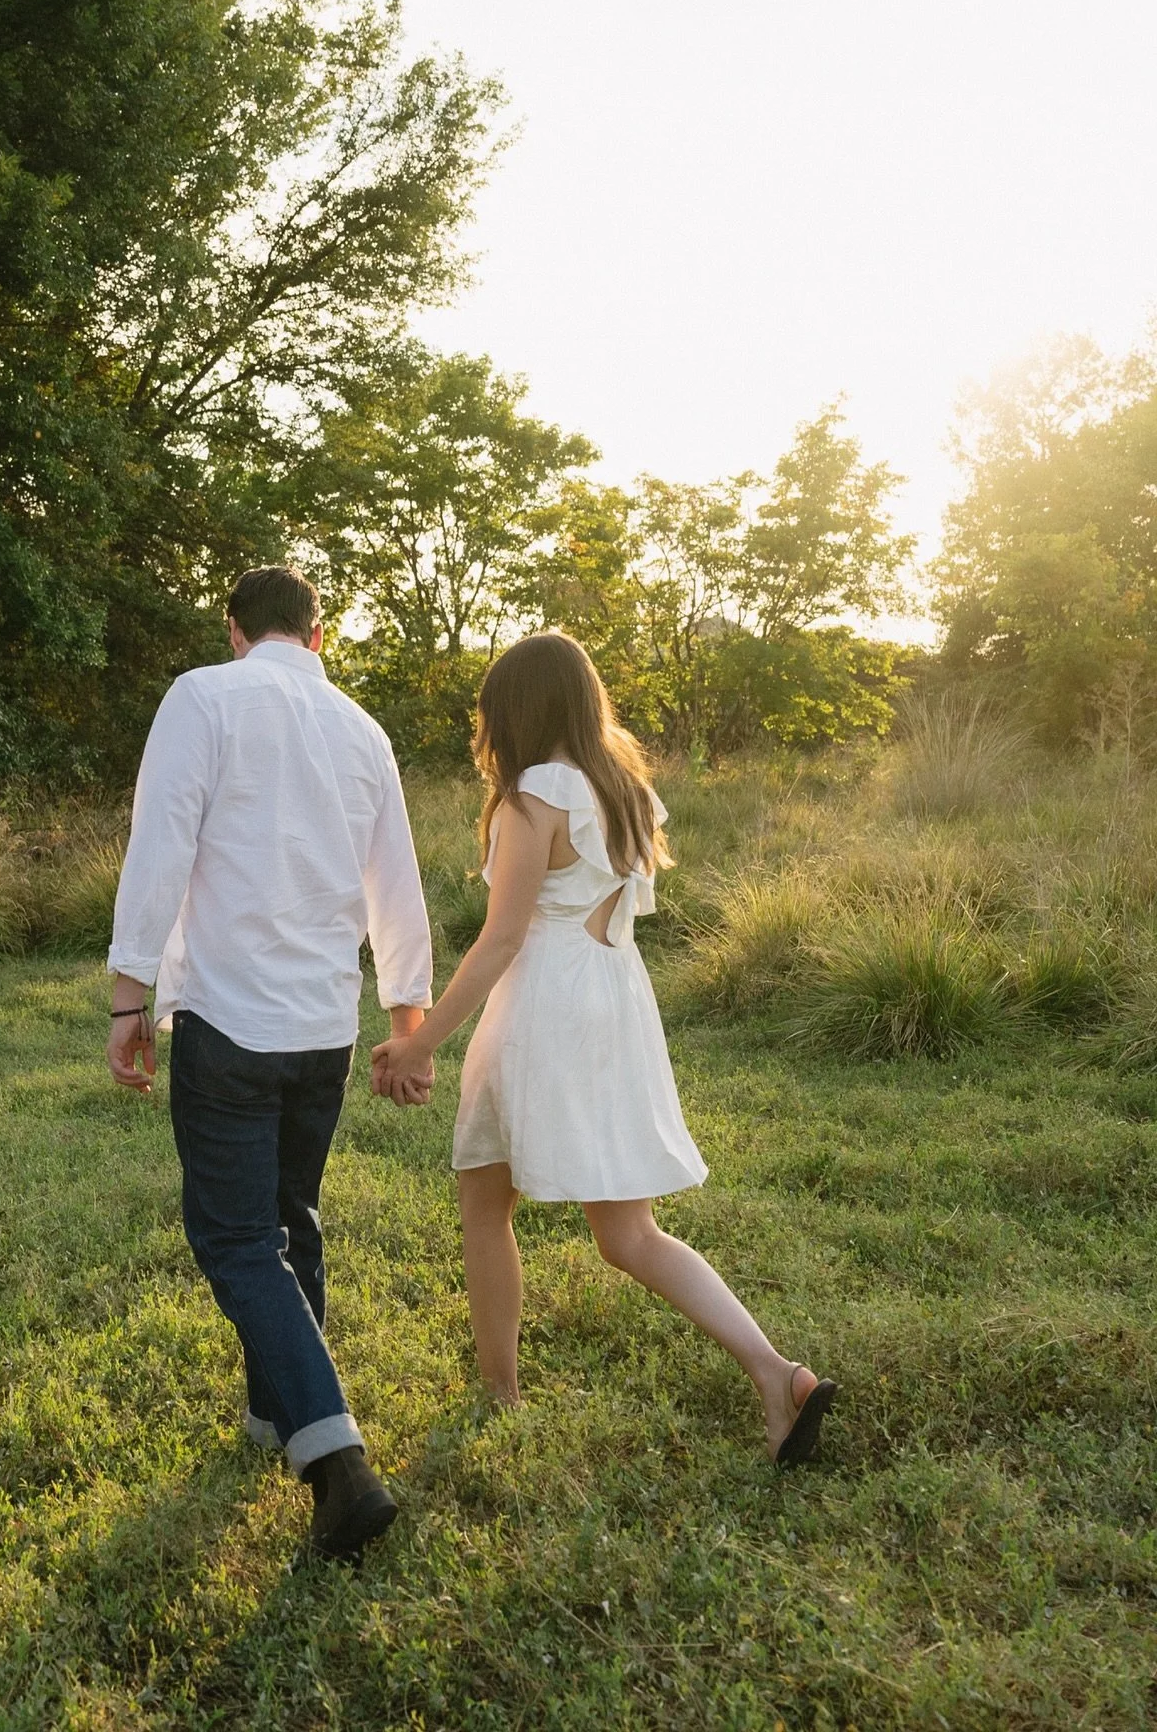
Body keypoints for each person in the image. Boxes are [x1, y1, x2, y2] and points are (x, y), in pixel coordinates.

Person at [372, 632, 838, 1464]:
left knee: (485, 1204)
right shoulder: (621, 787)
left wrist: (419, 1044)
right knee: (628, 1233)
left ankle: (501, 1397)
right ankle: (776, 1373)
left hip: (546, 1000)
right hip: (615, 997)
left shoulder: (532, 797)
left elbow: (503, 938)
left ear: (516, 711)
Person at [106, 566, 434, 1560]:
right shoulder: (364, 731)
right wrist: (407, 1020)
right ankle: (271, 1416)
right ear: (319, 635)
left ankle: (336, 1463)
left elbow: (159, 843)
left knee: (238, 1237)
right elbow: (398, 885)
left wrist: (131, 993)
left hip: (231, 1017)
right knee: (292, 1220)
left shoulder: (204, 695)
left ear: (235, 630)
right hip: (323, 1027)